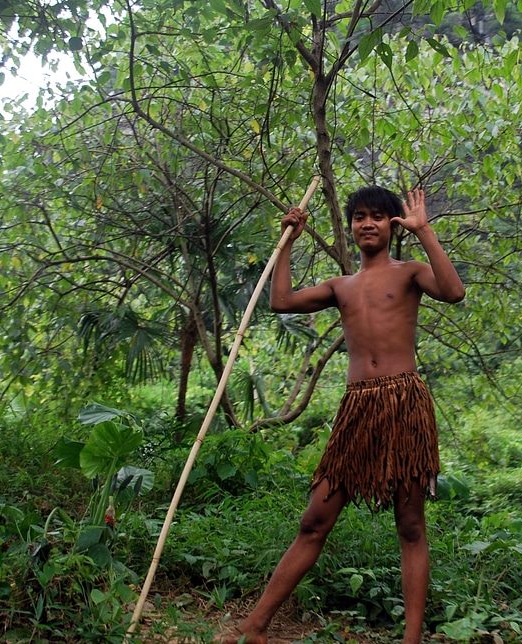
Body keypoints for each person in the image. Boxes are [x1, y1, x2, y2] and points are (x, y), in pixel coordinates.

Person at [217, 186, 465, 644]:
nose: (367, 223)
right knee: (314, 520)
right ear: (351, 227)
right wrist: (289, 240)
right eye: (359, 217)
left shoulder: (411, 272)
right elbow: (282, 302)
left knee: (410, 525)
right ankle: (254, 628)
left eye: (377, 216)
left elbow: (453, 291)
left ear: (393, 224)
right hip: (357, 409)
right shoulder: (341, 286)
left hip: (404, 403)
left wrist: (425, 230)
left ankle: (411, 639)